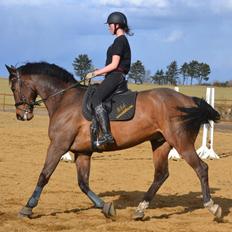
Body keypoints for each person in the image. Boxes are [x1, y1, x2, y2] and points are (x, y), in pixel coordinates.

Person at [85, 11, 132, 147]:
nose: (108, 27)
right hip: (114, 76)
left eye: (110, 24)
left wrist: (95, 74)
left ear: (117, 25)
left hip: (116, 76)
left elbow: (114, 65)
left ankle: (107, 135)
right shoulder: (120, 41)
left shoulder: (119, 41)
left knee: (96, 99)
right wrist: (99, 73)